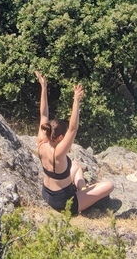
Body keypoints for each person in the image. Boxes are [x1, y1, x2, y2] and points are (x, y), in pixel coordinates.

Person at [35, 72, 114, 214]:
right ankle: (82, 196)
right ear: (60, 137)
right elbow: (73, 129)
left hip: (46, 193)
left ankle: (82, 189)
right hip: (64, 203)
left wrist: (43, 87)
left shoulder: (41, 143)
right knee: (109, 185)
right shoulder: (58, 153)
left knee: (75, 164)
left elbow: (44, 114)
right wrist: (76, 101)